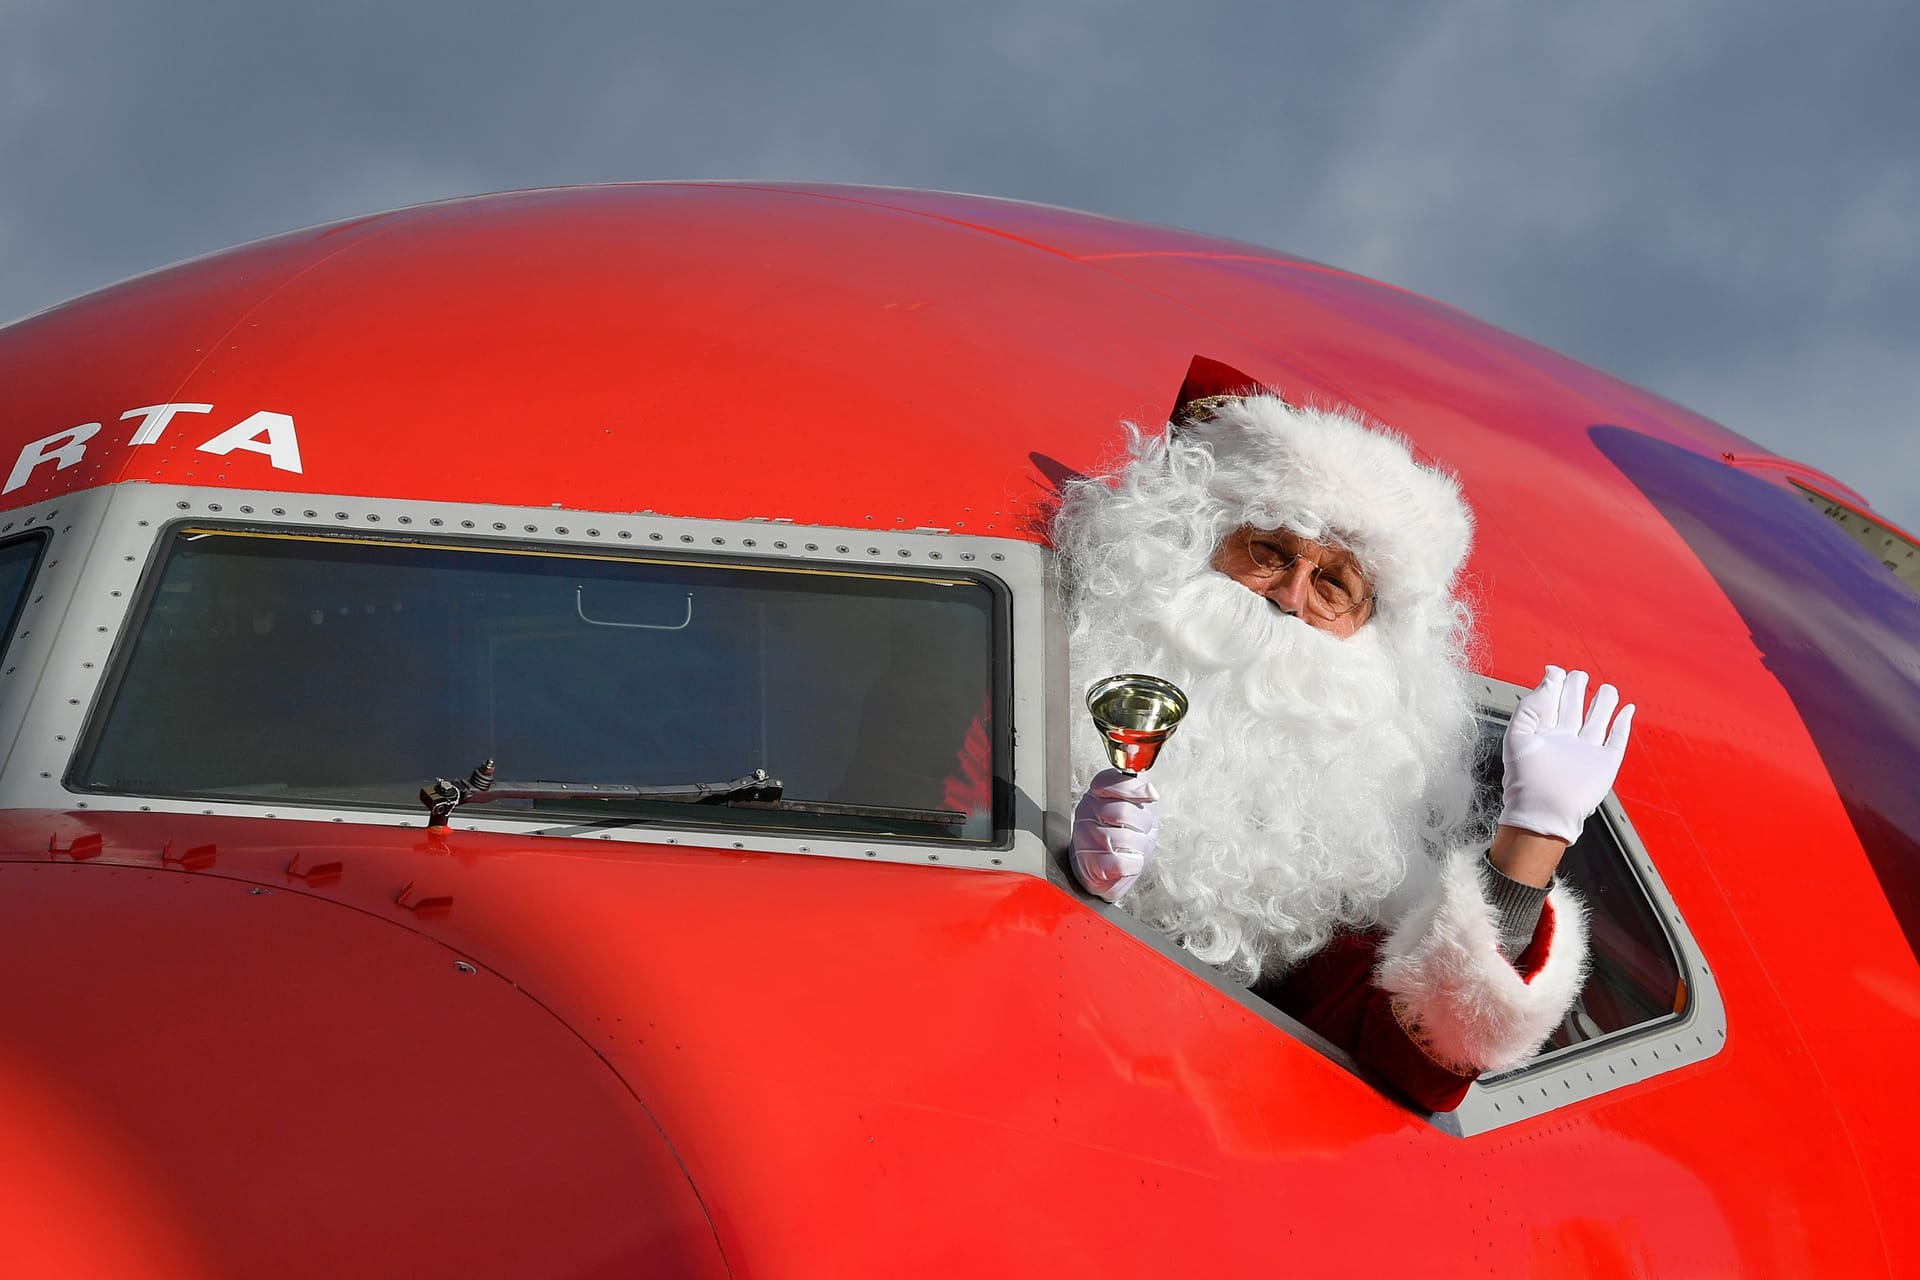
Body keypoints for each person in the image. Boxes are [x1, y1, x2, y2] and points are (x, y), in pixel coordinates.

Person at [1054, 392, 1633, 1111]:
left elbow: (1419, 1061)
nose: (1289, 596)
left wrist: (1535, 837)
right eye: (1269, 552)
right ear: (1195, 542)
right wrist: (1047, 854)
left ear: (1371, 636)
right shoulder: (1038, 671)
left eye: (1334, 586)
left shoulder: (1339, 867)